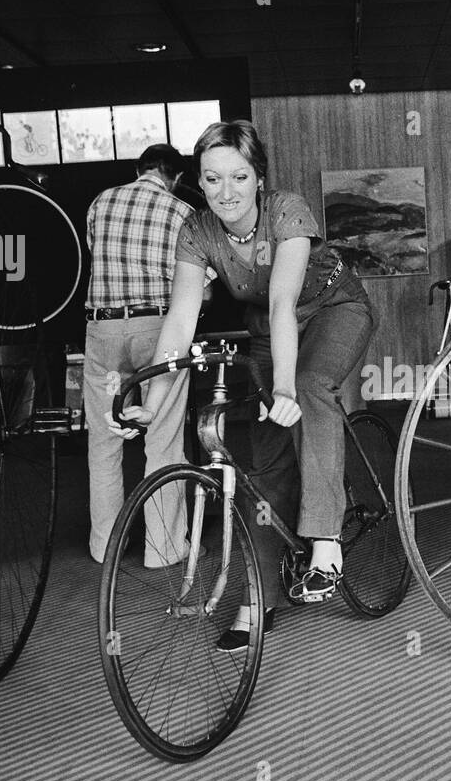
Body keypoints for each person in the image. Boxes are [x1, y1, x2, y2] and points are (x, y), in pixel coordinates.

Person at [114, 120, 375, 650]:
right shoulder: (196, 230)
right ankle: (258, 601)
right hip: (267, 329)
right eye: (212, 179)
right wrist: (154, 403)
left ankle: (325, 538)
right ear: (199, 182)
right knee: (265, 460)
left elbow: (284, 303)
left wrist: (283, 389)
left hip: (332, 308)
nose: (225, 193)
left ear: (259, 177)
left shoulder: (287, 211)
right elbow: (180, 324)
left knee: (305, 389)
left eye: (238, 177)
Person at [84, 143, 194, 567]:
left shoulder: (100, 203)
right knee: (163, 441)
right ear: (177, 177)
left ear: (138, 169)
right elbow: (195, 288)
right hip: (157, 329)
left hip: (105, 329)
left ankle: (105, 547)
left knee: (105, 441)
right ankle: (164, 549)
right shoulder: (181, 212)